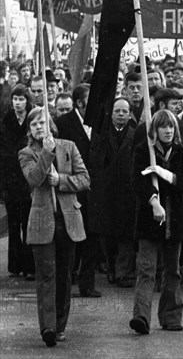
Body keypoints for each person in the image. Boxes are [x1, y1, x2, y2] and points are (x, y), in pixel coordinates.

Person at [18, 107, 90, 347]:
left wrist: (62, 180)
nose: (39, 127)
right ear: (29, 130)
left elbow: (84, 179)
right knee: (46, 275)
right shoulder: (26, 153)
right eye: (34, 124)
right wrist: (47, 153)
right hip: (42, 221)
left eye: (43, 122)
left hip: (68, 220)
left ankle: (60, 326)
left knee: (64, 275)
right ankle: (47, 327)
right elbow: (35, 178)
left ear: (51, 126)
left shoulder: (68, 146)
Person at [129, 110, 183, 334]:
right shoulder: (143, 151)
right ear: (155, 130)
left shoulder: (180, 152)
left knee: (172, 270)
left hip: (175, 220)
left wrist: (165, 174)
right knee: (147, 269)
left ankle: (171, 316)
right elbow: (137, 182)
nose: (168, 131)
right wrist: (153, 201)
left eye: (171, 127)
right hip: (150, 220)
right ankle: (141, 316)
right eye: (163, 127)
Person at [55, 84, 102, 298]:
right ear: (80, 103)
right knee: (73, 236)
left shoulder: (100, 122)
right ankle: (68, 277)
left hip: (95, 188)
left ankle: (87, 283)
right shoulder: (63, 124)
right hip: (73, 188)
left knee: (93, 235)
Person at [88, 98, 136, 288]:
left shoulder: (135, 135)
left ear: (130, 114)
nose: (121, 114)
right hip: (106, 191)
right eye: (117, 111)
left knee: (126, 234)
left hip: (127, 192)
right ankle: (111, 267)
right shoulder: (102, 135)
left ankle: (123, 272)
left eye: (125, 111)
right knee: (107, 234)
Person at [0, 84, 35, 279]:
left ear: (27, 101)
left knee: (28, 223)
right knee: (14, 225)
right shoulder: (6, 121)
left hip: (28, 179)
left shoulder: (32, 120)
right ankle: (15, 264)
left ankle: (29, 265)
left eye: (21, 99)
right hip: (11, 179)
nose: (17, 103)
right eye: (15, 99)